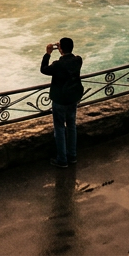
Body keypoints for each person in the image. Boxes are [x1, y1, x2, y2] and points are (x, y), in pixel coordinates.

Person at [41, 37, 84, 168]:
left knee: (59, 129)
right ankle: (72, 156)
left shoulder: (57, 65)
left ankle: (62, 159)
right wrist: (62, 50)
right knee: (71, 126)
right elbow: (69, 59)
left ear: (60, 49)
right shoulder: (78, 60)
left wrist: (47, 53)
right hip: (73, 98)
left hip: (60, 100)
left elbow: (44, 69)